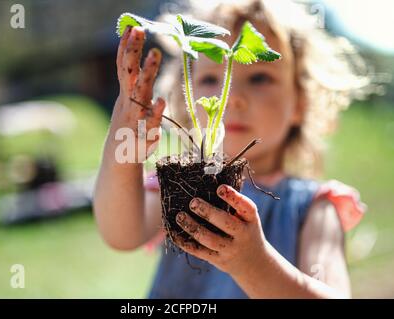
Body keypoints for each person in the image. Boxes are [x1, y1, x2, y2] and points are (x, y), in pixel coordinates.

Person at [94, 0, 369, 298]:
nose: (232, 97)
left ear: (300, 102)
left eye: (259, 77)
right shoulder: (178, 185)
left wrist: (253, 264)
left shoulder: (314, 207)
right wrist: (122, 154)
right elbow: (121, 233)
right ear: (186, 96)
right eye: (211, 78)